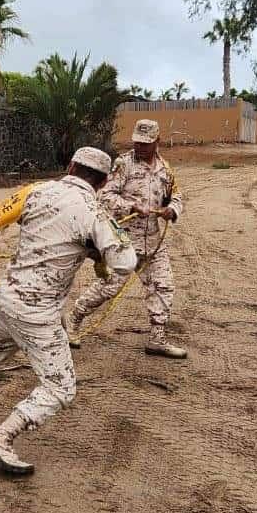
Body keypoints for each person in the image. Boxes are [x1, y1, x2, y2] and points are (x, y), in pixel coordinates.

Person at [0, 147, 136, 475]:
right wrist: (96, 248)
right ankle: (0, 440)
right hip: (38, 311)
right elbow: (125, 262)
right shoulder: (94, 212)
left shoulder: (34, 191)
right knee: (60, 387)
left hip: (8, 295)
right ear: (102, 183)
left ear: (70, 166)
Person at [67, 119, 187, 358]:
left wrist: (172, 210)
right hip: (123, 239)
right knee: (108, 287)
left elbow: (177, 196)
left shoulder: (165, 169)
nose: (140, 147)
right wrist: (131, 206)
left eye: (146, 143)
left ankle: (157, 339)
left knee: (162, 287)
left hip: (153, 242)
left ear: (157, 142)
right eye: (137, 142)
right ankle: (73, 319)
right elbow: (105, 196)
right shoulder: (123, 164)